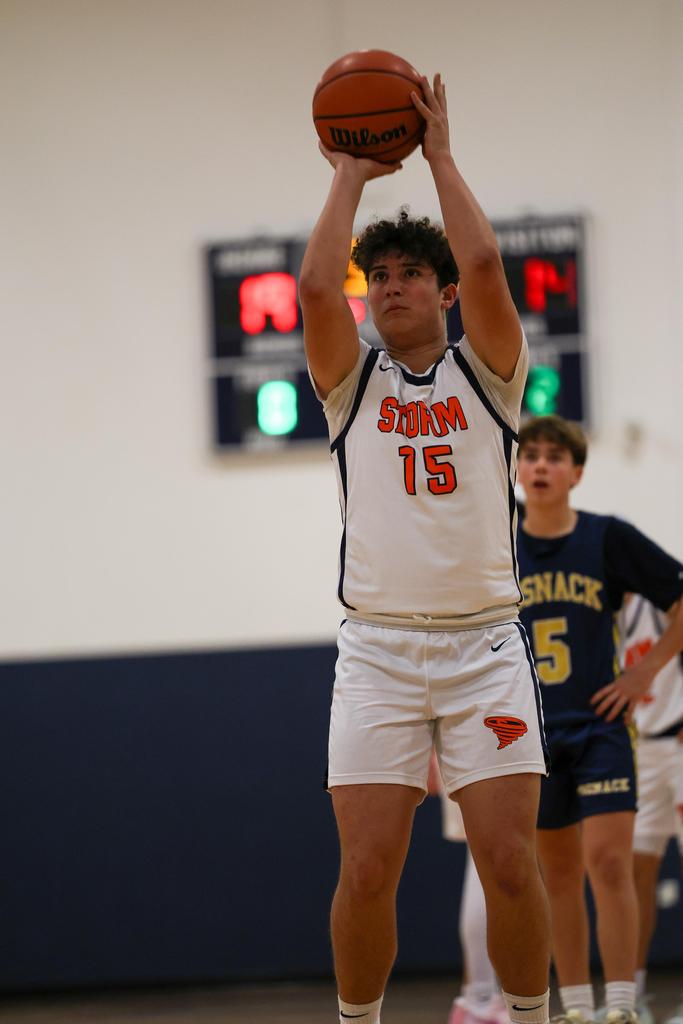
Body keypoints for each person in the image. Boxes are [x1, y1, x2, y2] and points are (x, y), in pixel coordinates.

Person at [299, 72, 551, 1024]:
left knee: (508, 863)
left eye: (410, 273)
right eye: (380, 276)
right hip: (377, 651)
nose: (391, 287)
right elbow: (314, 286)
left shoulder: (487, 375)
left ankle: (527, 1018)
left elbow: (484, 264)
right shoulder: (350, 385)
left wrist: (438, 155)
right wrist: (348, 173)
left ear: (442, 293)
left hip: (484, 646)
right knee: (365, 870)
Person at [515, 415, 683, 1024]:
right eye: (531, 455)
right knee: (557, 875)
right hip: (530, 734)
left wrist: (644, 673)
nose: (540, 465)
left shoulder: (607, 537)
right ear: (516, 468)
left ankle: (621, 1005)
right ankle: (577, 1008)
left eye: (554, 457)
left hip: (600, 725)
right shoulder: (496, 543)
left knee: (610, 864)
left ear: (576, 474)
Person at [620, 595, 683, 1024]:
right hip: (640, 748)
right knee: (634, 873)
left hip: (678, 741)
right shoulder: (602, 604)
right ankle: (632, 996)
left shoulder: (660, 592)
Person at [428, 753, 509, 1024]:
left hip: (481, 740)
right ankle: (481, 1000)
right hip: (490, 740)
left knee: (491, 859)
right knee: (493, 857)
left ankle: (479, 998)